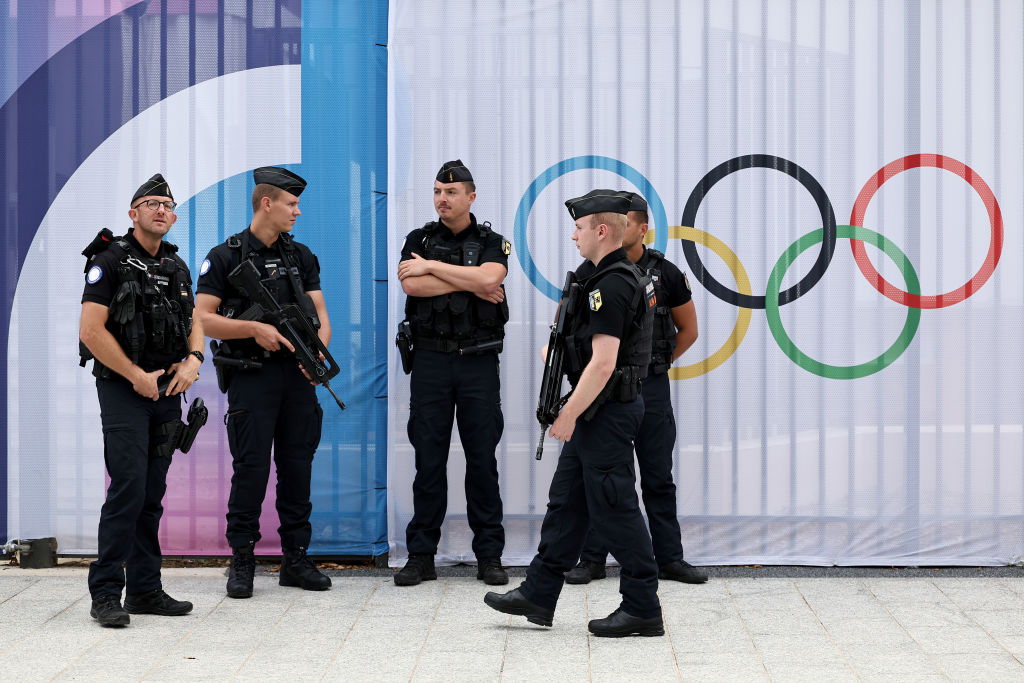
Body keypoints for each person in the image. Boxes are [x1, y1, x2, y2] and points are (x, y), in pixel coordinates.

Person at [484, 189, 664, 638]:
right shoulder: (592, 277)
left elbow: (604, 363)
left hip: (607, 411)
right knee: (567, 505)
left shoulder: (614, 283)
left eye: (579, 228)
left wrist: (566, 415)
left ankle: (643, 606)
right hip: (593, 411)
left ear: (601, 231)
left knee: (616, 508)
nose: (574, 235)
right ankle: (539, 594)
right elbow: (576, 344)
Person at [196, 166, 332, 598]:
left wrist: (317, 357)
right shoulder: (225, 257)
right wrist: (253, 330)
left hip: (297, 378)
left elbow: (321, 318)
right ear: (266, 203)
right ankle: (242, 560)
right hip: (252, 378)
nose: (297, 211)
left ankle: (295, 558)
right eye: (291, 204)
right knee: (250, 470)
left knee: (298, 468)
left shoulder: (302, 256)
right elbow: (201, 318)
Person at [80, 173, 203, 626]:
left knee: (152, 492)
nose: (160, 210)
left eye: (167, 205)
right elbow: (90, 330)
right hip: (124, 390)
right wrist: (135, 376)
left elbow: (194, 318)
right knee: (128, 488)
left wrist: (194, 358)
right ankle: (106, 593)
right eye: (150, 203)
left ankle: (146, 590)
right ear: (133, 214)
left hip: (168, 391)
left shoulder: (176, 266)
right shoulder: (109, 260)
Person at [566, 194, 707, 586]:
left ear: (641, 228)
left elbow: (689, 330)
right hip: (606, 390)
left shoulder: (667, 273)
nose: (616, 229)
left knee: (658, 475)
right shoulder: (587, 273)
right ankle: (591, 559)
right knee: (603, 474)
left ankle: (670, 558)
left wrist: (651, 368)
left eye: (626, 222)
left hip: (652, 387)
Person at [394, 160, 510, 586]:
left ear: (471, 197)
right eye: (438, 192)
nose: (443, 199)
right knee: (429, 462)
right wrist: (470, 280)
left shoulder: (493, 241)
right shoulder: (418, 239)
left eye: (452, 192)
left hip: (478, 362)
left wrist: (434, 268)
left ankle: (490, 556)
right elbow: (412, 286)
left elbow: (491, 277)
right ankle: (421, 555)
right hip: (431, 362)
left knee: (482, 461)